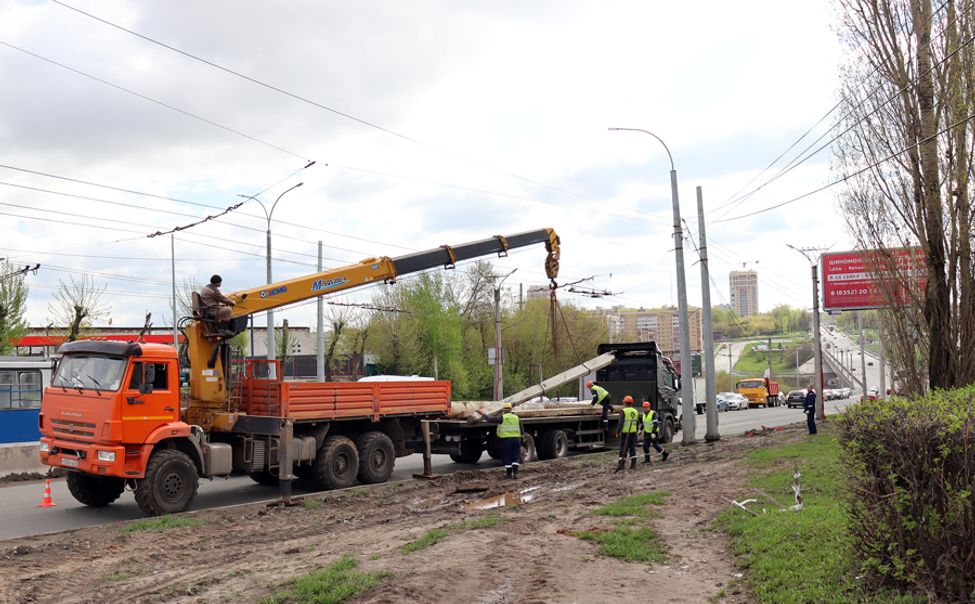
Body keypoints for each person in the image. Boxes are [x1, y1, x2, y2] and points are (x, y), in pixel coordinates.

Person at [483, 402, 522, 478]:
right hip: (517, 439)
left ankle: (509, 474)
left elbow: (490, 419)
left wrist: (483, 414)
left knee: (507, 456)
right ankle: (516, 473)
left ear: (503, 410)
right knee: (516, 456)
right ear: (511, 409)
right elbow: (521, 428)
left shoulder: (502, 417)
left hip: (508, 440)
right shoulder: (516, 417)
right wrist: (522, 437)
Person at [614, 395, 639, 472]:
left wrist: (617, 431)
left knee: (623, 449)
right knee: (632, 448)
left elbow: (620, 423)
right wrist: (636, 431)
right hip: (633, 432)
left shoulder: (624, 411)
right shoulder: (635, 411)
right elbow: (637, 423)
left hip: (625, 433)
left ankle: (621, 464)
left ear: (625, 402)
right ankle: (633, 465)